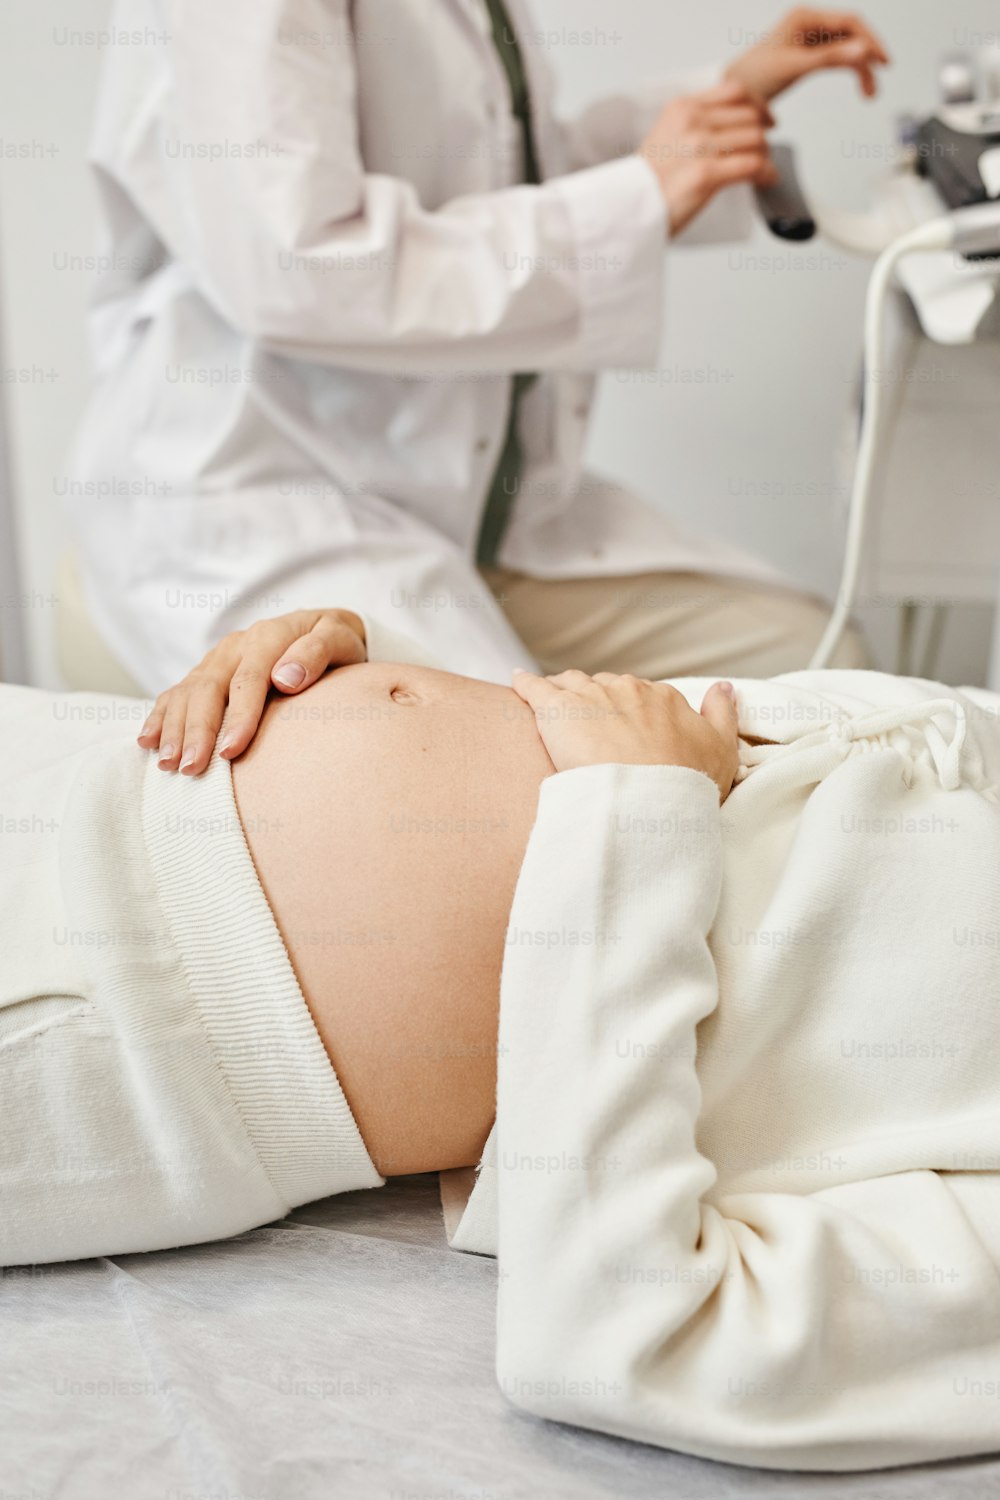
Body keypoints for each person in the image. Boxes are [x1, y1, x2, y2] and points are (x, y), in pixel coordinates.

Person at [2, 604, 1000, 1472]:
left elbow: (630, 1337)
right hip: (84, 749)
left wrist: (639, 808)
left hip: (107, 1006)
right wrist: (353, 666)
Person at [63, 4, 887, 693]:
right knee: (521, 803)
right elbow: (299, 263)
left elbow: (484, 178)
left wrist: (710, 113)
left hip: (463, 500)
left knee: (825, 670)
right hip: (269, 499)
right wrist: (636, 198)